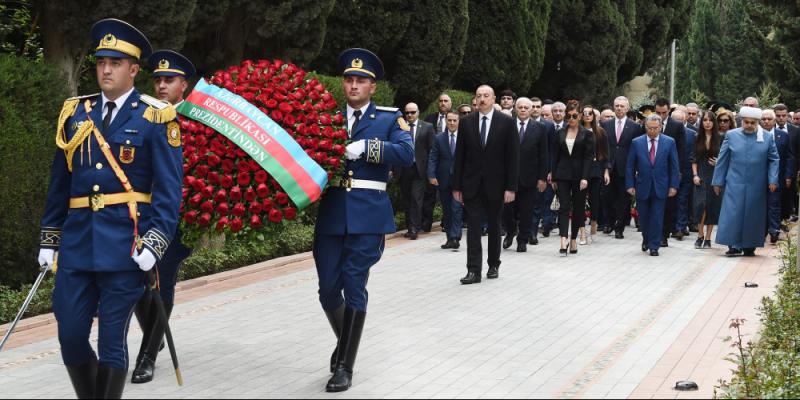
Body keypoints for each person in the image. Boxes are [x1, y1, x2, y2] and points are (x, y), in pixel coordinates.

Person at [37, 19, 182, 399]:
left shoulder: (155, 116)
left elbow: (169, 192)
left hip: (125, 248)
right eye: (102, 61)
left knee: (111, 342)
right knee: (69, 335)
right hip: (78, 244)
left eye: (115, 63)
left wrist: (155, 243)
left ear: (133, 69)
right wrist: (49, 239)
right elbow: (60, 185)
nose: (105, 69)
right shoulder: (75, 114)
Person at [314, 48, 413, 392]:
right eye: (349, 79)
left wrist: (371, 147)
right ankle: (346, 343)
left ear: (373, 87)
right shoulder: (325, 118)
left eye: (361, 80)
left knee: (354, 284)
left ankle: (345, 366)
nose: (354, 85)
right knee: (328, 291)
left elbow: (406, 152)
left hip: (368, 215)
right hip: (331, 214)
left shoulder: (388, 118)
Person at [131, 49, 196, 385]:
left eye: (169, 80)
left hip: (174, 217)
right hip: (138, 215)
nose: (161, 85)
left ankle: (146, 356)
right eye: (157, 79)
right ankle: (153, 340)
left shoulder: (194, 122)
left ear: (183, 85)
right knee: (140, 285)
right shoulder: (142, 116)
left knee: (162, 279)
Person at [453, 85, 519, 284]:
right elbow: (460, 157)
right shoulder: (466, 123)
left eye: (486, 96)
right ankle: (473, 270)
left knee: (494, 226)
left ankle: (493, 264)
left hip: (497, 185)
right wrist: (457, 186)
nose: (482, 99)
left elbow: (513, 158)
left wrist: (511, 187)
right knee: (473, 228)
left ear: (494, 98)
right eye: (479, 96)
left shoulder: (506, 123)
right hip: (472, 184)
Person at [712, 107, 779, 257]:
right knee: (733, 214)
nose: (749, 125)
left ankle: (750, 245)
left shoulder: (767, 137)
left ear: (757, 122)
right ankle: (734, 245)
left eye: (752, 123)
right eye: (746, 122)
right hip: (734, 182)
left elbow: (774, 159)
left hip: (757, 184)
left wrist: (773, 179)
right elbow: (722, 159)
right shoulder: (731, 135)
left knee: (753, 214)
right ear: (742, 121)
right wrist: (717, 181)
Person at [626, 114, 680, 256]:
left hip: (661, 185)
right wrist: (630, 184)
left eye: (655, 128)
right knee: (643, 216)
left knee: (657, 216)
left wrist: (674, 185)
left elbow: (674, 166)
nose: (652, 131)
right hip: (642, 185)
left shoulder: (669, 142)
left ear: (660, 127)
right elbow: (630, 165)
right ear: (645, 127)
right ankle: (646, 238)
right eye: (649, 128)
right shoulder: (636, 142)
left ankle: (654, 245)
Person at [502, 97, 549, 252]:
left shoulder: (540, 128)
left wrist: (542, 177)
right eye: (520, 107)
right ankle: (510, 232)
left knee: (527, 211)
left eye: (525, 108)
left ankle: (522, 239)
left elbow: (544, 155)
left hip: (530, 177)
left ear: (531, 110)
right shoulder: (507, 126)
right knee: (508, 210)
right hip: (509, 178)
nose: (523, 110)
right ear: (515, 109)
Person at [552, 100, 594, 256]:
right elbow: (555, 156)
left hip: (579, 176)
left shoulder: (587, 134)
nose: (571, 119)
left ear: (581, 116)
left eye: (574, 115)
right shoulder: (559, 133)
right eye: (568, 116)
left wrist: (585, 177)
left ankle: (574, 238)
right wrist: (554, 176)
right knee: (563, 207)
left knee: (578, 208)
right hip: (562, 174)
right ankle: (563, 239)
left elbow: (589, 158)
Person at [601, 96, 644, 239]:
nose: (619, 108)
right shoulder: (605, 125)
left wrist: (636, 169)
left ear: (627, 108)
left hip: (626, 168)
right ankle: (609, 223)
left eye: (622, 106)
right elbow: (603, 148)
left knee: (623, 200)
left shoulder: (635, 127)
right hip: (609, 168)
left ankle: (619, 228)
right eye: (617, 105)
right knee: (608, 198)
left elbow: (637, 148)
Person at [398, 102, 435, 240]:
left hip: (420, 170)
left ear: (418, 112)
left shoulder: (427, 127)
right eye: (407, 113)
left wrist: (431, 171)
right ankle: (410, 227)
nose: (410, 115)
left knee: (416, 198)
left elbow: (432, 150)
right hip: (403, 168)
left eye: (412, 112)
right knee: (406, 200)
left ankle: (414, 228)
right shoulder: (399, 128)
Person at [428, 110, 463, 249]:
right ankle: (450, 238)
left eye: (455, 120)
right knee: (447, 210)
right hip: (443, 180)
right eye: (450, 120)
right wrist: (431, 175)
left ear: (459, 121)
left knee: (456, 208)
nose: (452, 123)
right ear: (446, 121)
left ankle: (455, 237)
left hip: (459, 180)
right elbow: (433, 157)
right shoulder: (439, 138)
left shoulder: (464, 138)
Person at [653, 98, 686, 245]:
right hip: (652, 171)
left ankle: (664, 235)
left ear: (669, 111)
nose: (661, 116)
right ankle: (653, 234)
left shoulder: (677, 126)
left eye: (664, 112)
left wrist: (677, 172)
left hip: (669, 172)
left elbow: (681, 150)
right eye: (658, 112)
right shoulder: (649, 124)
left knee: (669, 205)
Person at [760, 109, 795, 244]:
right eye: (764, 119)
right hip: (759, 177)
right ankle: (761, 231)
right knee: (761, 205)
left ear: (774, 121)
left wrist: (788, 175)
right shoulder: (756, 135)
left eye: (769, 119)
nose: (767, 121)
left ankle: (774, 230)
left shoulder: (783, 135)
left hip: (778, 177)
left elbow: (789, 157)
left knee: (774, 204)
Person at [691, 111, 723, 249]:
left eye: (710, 120)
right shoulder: (697, 137)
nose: (707, 122)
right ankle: (700, 235)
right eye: (705, 120)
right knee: (700, 206)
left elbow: (725, 157)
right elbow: (693, 159)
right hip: (701, 176)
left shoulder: (721, 138)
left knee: (712, 206)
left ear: (714, 122)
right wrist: (695, 175)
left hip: (715, 176)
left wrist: (718, 163)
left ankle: (709, 238)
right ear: (702, 122)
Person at [579, 104, 610, 244]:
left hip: (596, 169)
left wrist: (606, 171)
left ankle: (593, 224)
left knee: (594, 200)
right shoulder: (576, 130)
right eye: (584, 113)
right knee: (579, 200)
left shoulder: (600, 132)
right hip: (579, 170)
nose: (587, 115)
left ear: (593, 116)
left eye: (589, 113)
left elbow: (605, 153)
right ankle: (580, 231)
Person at [670, 109, 696, 239]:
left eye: (680, 120)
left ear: (685, 119)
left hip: (686, 173)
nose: (678, 123)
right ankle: (674, 226)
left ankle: (680, 227)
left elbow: (694, 155)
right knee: (672, 200)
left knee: (683, 200)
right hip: (671, 173)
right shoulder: (668, 132)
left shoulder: (692, 134)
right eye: (675, 120)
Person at [774, 104, 799, 221]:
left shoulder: (795, 130)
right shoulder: (768, 130)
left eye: (783, 115)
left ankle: (785, 219)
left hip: (790, 170)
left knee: (787, 198)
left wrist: (797, 170)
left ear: (787, 115)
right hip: (773, 170)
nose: (781, 118)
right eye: (778, 116)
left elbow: (797, 152)